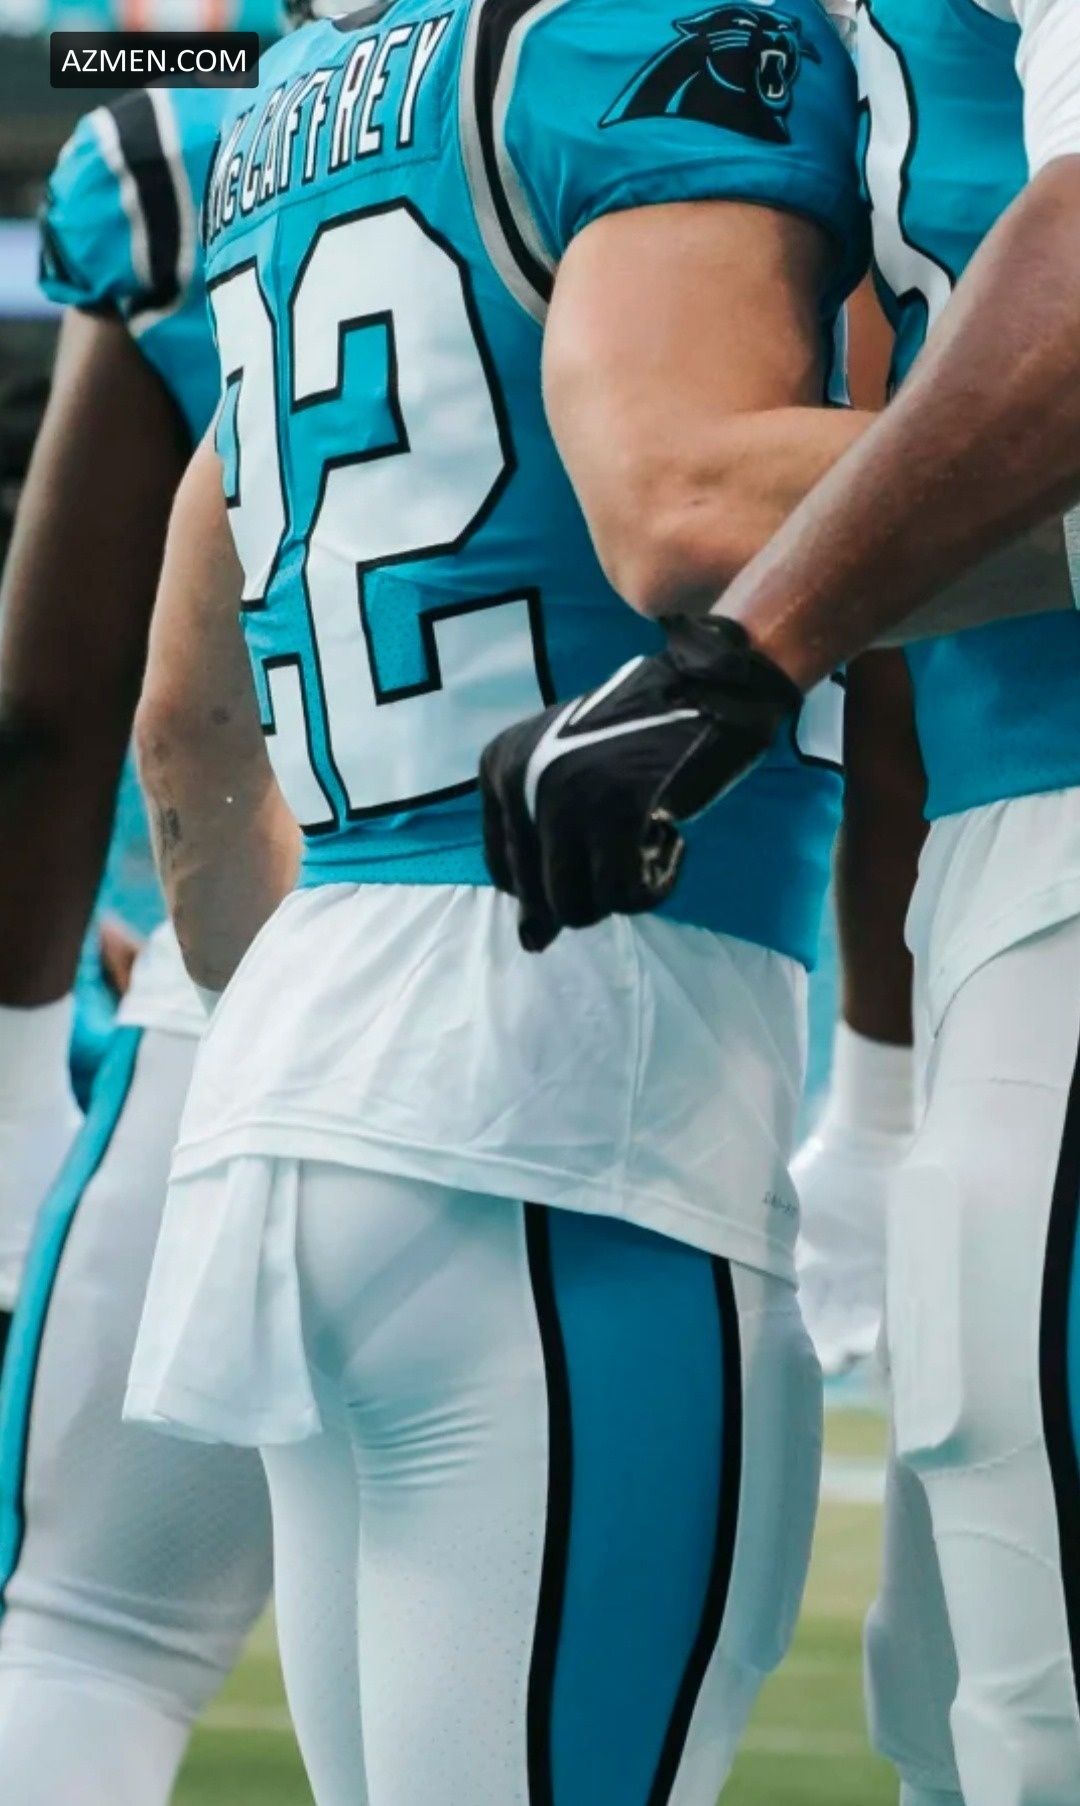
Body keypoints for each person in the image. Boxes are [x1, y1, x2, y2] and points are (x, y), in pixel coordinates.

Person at [125, 1, 867, 1799]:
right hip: (570, 1059)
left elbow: (185, 727)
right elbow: (697, 507)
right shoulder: (643, 32)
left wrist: (327, 1064)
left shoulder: (294, 99)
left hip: (301, 1066)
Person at [480, 2, 1080, 1801]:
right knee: (955, 1701)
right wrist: (881, 1095)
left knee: (1040, 1712)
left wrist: (752, 650)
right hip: (995, 860)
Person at [0, 79, 279, 1806]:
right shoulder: (741, 94)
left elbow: (68, 707)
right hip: (634, 984)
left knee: (90, 1640)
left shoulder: (190, 151)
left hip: (234, 984)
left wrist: (16, 1077)